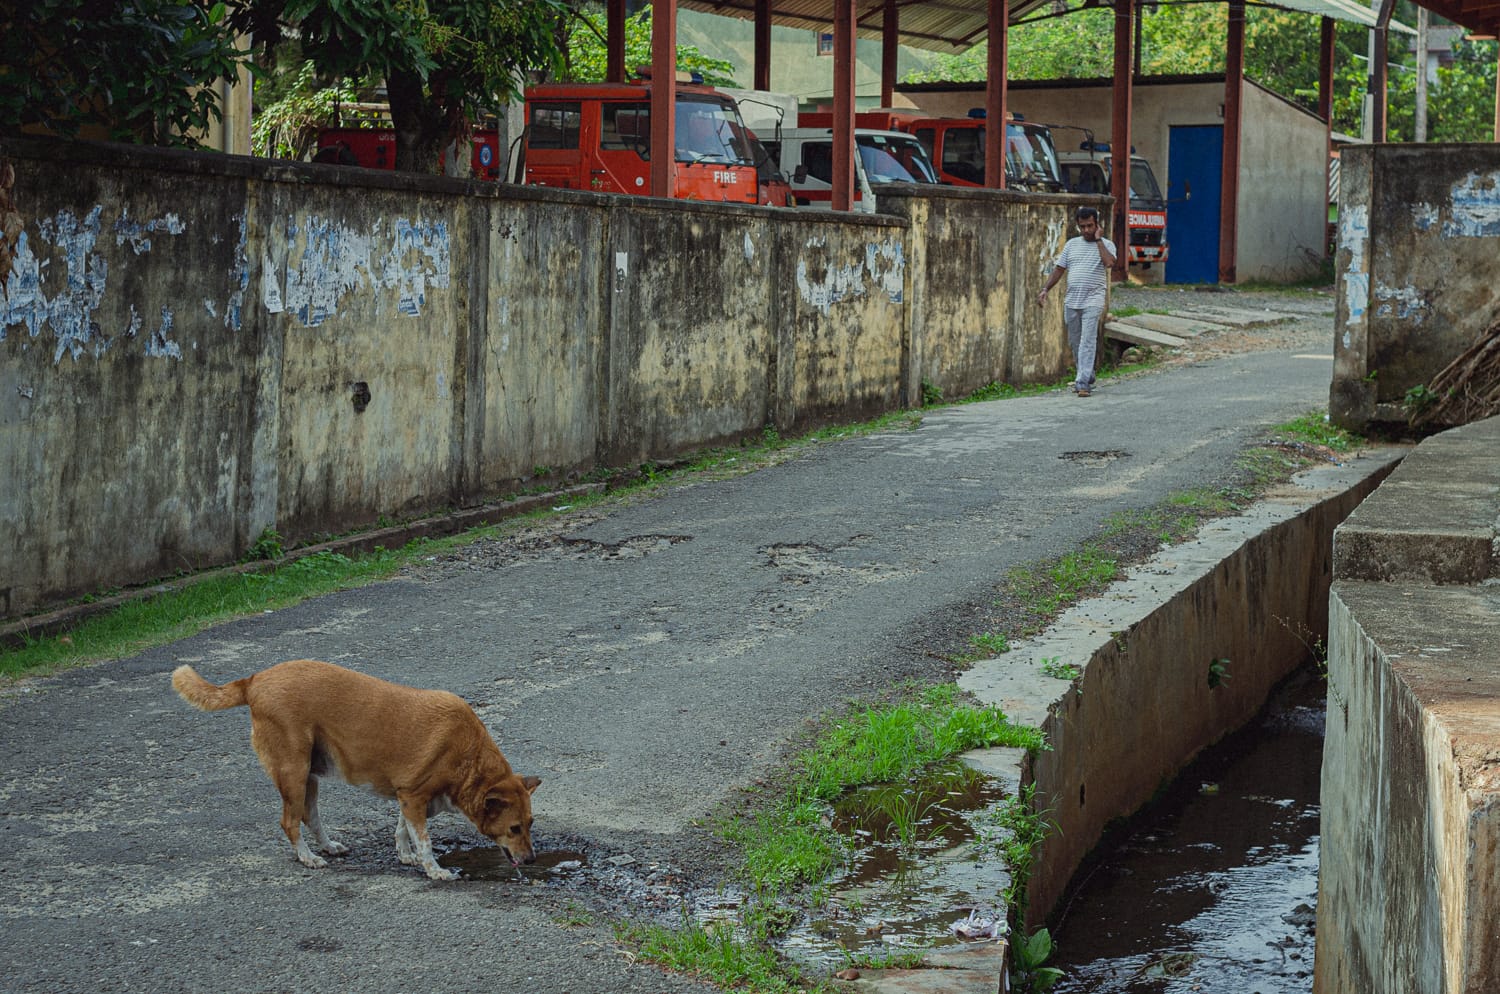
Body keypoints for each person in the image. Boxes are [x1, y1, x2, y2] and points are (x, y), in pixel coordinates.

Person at [1036, 206, 1117, 398]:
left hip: (1094, 299)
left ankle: (1082, 383)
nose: (1086, 230)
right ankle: (1087, 375)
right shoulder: (1072, 245)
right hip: (1072, 300)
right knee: (1075, 342)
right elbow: (1059, 269)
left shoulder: (1107, 244)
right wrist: (1045, 289)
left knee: (1087, 340)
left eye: (1090, 226)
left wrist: (1098, 240)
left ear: (1097, 224)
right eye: (1083, 226)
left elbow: (1109, 263)